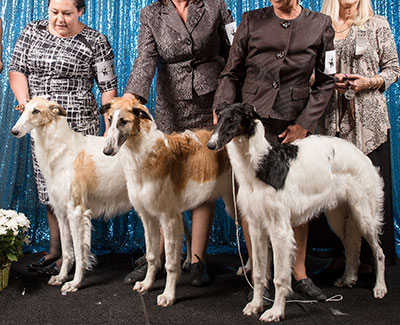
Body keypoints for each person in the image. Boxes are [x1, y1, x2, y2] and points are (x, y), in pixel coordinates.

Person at [213, 0, 335, 301]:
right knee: (252, 197)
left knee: (295, 200)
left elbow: (326, 81)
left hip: (292, 123)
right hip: (252, 123)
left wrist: (305, 124)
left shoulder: (320, 24)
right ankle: (260, 273)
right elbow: (231, 72)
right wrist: (223, 107)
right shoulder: (251, 20)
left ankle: (299, 271)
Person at [123, 0, 233, 287]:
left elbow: (232, 54)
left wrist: (225, 100)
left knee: (203, 179)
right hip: (169, 104)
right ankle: (158, 259)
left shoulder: (215, 6)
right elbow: (145, 58)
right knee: (162, 183)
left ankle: (197, 260)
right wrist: (132, 97)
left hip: (211, 102)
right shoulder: (149, 13)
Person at [9, 0, 117, 275]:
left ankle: (77, 258)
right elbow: (17, 69)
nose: (59, 19)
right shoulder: (31, 31)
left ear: (81, 11)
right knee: (51, 192)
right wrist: (26, 104)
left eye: (67, 13)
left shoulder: (96, 41)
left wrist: (110, 129)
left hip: (78, 128)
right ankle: (57, 251)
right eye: (54, 12)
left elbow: (108, 87)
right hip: (40, 126)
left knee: (76, 194)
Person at [320, 0, 399, 275]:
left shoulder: (378, 24)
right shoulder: (323, 28)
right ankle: (340, 255)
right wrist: (332, 81)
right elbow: (314, 72)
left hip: (370, 124)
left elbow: (393, 69)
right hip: (333, 121)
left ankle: (371, 258)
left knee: (368, 190)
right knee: (334, 192)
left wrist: (369, 82)